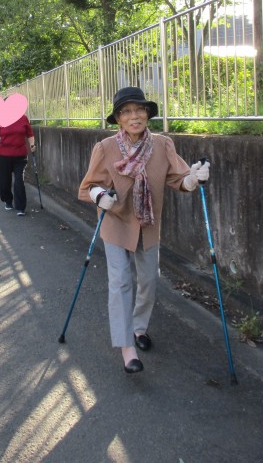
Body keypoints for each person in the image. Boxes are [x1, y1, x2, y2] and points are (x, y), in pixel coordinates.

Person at [78, 86, 210, 374]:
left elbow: (180, 179)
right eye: (126, 111)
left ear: (148, 114)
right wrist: (101, 196)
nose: (134, 116)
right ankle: (127, 348)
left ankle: (139, 328)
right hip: (116, 224)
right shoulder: (106, 148)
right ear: (118, 119)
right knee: (122, 282)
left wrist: (195, 178)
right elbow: (87, 189)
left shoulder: (162, 145)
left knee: (149, 281)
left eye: (140, 110)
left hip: (148, 226)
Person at [0, 113, 35, 216]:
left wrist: (32, 144)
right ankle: (8, 200)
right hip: (4, 155)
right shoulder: (0, 118)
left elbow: (30, 134)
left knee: (19, 180)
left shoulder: (23, 118)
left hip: (20, 155)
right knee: (5, 180)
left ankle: (20, 207)